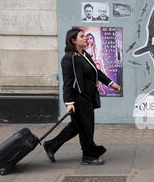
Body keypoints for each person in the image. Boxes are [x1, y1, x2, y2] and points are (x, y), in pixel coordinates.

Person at [43, 28, 121, 165]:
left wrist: (110, 83)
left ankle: (51, 145)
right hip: (78, 99)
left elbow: (96, 71)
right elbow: (67, 83)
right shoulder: (69, 59)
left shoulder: (84, 54)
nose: (85, 38)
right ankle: (89, 156)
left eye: (85, 36)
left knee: (77, 127)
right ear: (73, 40)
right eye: (82, 36)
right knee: (86, 127)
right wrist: (69, 103)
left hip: (88, 97)